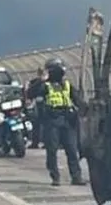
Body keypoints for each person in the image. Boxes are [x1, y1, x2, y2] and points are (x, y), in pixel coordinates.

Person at [26, 58, 87, 186]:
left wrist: (86, 111)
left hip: (67, 120)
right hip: (52, 121)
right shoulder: (45, 86)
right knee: (52, 150)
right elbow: (30, 94)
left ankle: (76, 176)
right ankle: (55, 176)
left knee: (72, 149)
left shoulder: (67, 85)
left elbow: (78, 100)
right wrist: (40, 80)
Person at [25, 67, 47, 149]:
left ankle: (36, 142)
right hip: (42, 105)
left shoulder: (37, 82)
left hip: (41, 105)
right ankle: (42, 142)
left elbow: (30, 91)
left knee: (38, 124)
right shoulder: (40, 82)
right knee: (42, 124)